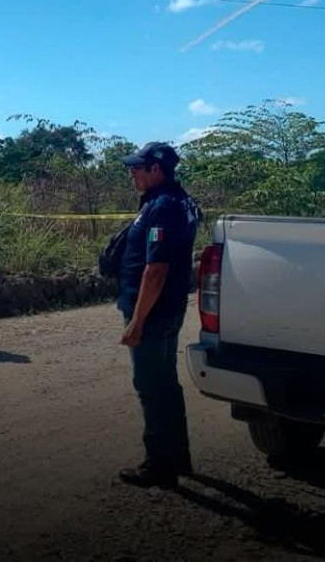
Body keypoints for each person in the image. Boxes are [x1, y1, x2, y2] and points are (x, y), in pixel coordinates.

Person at [116, 141, 202, 488]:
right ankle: (178, 457)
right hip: (167, 307)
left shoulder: (164, 206)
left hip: (152, 309)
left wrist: (137, 321)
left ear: (156, 169)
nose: (132, 173)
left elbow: (156, 270)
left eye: (137, 168)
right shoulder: (178, 200)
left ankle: (160, 465)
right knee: (165, 383)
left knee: (151, 385)